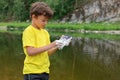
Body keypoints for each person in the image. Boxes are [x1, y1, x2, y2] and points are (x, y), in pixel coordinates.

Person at [22, 1, 72, 80]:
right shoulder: (28, 31)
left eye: (47, 21)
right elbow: (30, 52)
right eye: (43, 20)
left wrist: (57, 45)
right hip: (32, 73)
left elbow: (47, 52)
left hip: (45, 72)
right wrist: (52, 44)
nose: (45, 23)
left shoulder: (45, 33)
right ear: (33, 17)